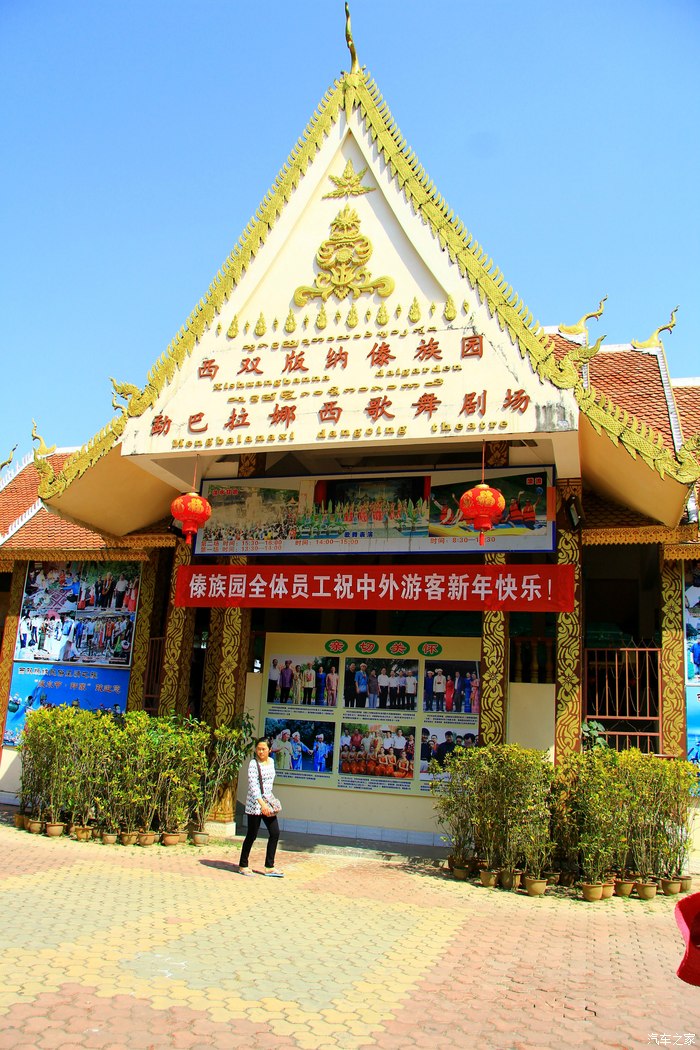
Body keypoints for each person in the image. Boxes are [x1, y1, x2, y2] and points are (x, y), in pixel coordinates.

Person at [238, 738, 283, 877]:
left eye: (263, 749)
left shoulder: (272, 762)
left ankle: (269, 866)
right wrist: (261, 804)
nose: (261, 752)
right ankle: (243, 865)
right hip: (255, 804)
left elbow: (269, 784)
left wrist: (267, 803)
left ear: (270, 750)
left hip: (267, 803)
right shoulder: (253, 764)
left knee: (275, 832)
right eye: (258, 749)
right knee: (252, 834)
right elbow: (253, 786)